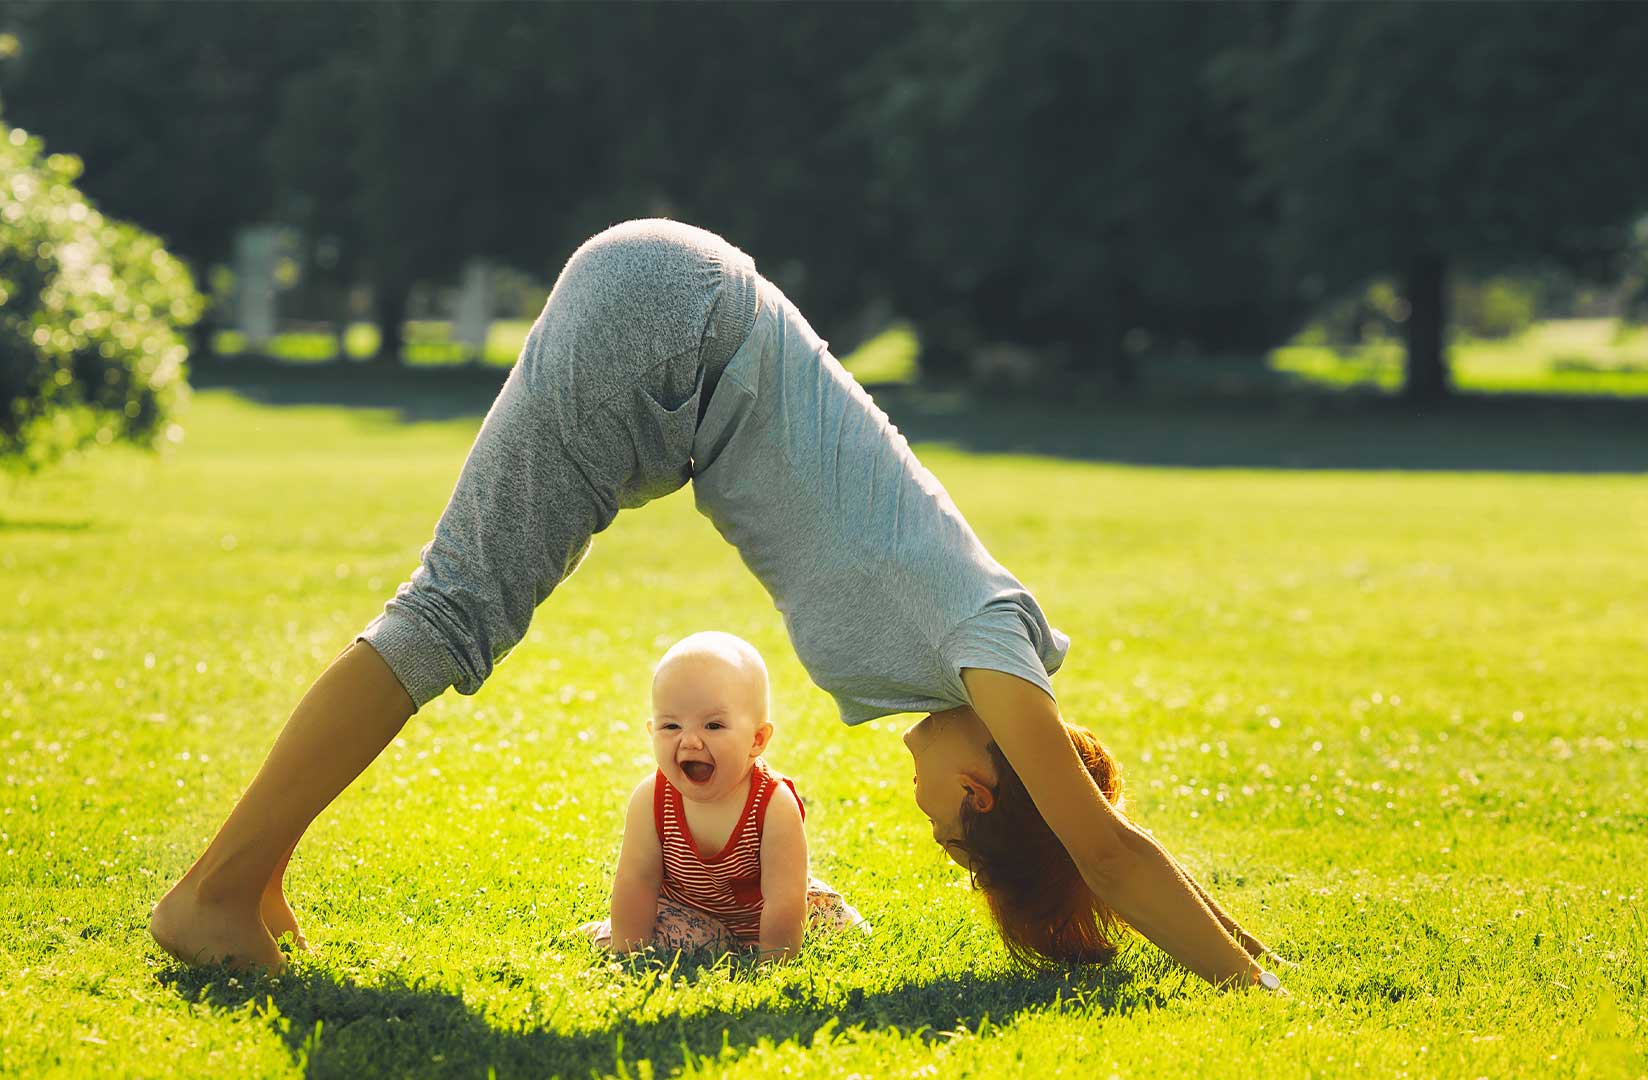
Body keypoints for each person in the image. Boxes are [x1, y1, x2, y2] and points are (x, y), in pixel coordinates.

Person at [150, 219, 1284, 991]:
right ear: (987, 786)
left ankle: (251, 878)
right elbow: (1112, 851)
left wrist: (1239, 933)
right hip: (676, 328)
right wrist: (1260, 988)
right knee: (453, 609)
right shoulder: (991, 653)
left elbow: (1107, 845)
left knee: (455, 605)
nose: (923, 806)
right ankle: (212, 894)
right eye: (949, 824)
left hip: (680, 342)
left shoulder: (983, 647)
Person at [580, 631, 864, 958]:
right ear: (651, 731)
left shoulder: (772, 803)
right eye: (671, 726)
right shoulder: (651, 799)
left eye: (713, 726)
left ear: (757, 739)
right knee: (692, 940)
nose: (690, 741)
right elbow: (636, 883)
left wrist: (773, 963)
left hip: (768, 911)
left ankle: (752, 945)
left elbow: (784, 898)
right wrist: (627, 951)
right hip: (687, 911)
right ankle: (605, 931)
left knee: (843, 926)